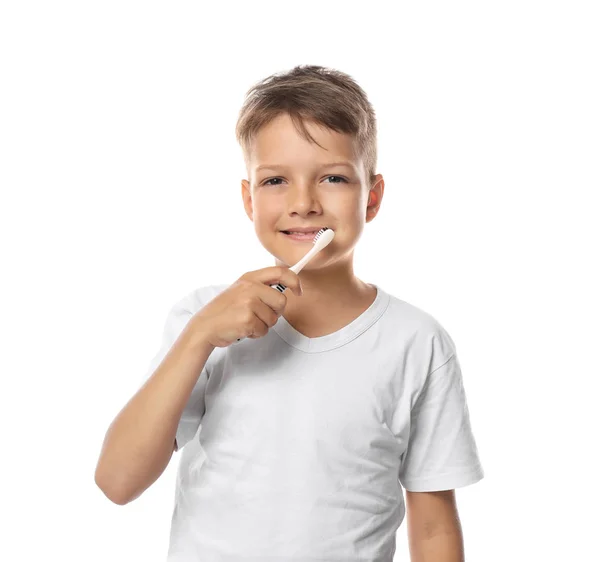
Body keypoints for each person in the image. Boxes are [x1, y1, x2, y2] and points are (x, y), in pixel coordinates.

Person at [95, 64, 484, 562]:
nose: (303, 203)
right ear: (248, 199)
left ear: (372, 197)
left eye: (334, 178)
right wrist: (197, 340)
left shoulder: (417, 342)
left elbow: (432, 526)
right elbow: (118, 481)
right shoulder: (202, 318)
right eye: (276, 179)